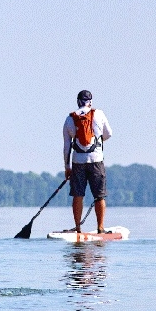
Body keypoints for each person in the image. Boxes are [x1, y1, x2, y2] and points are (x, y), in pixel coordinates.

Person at [64, 90, 113, 232]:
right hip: (96, 160)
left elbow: (67, 146)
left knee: (78, 195)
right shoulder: (99, 114)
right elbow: (109, 134)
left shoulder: (69, 119)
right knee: (99, 195)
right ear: (90, 101)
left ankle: (78, 228)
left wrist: (67, 167)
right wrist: (97, 139)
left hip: (78, 162)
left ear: (78, 101)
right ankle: (100, 228)